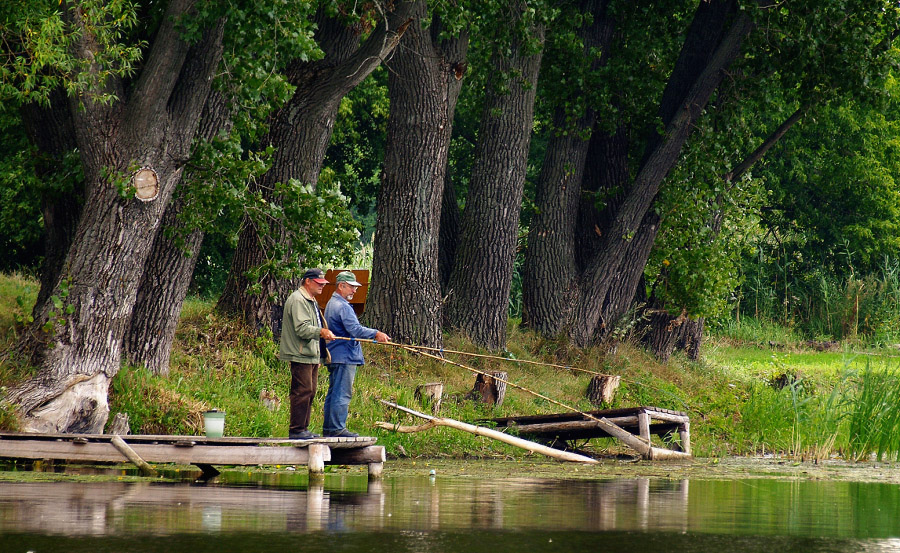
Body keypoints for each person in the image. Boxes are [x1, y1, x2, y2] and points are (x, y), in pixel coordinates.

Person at [323, 271, 390, 437]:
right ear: (341, 285)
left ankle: (330, 429)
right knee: (342, 393)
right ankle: (337, 429)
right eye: (351, 287)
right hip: (344, 356)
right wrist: (376, 334)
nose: (354, 290)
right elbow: (355, 329)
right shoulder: (342, 306)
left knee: (334, 392)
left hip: (335, 355)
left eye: (355, 287)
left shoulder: (332, 303)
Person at [279, 268, 336, 440]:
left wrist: (318, 354)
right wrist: (322, 332)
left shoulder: (310, 299)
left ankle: (303, 428)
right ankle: (296, 430)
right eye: (319, 284)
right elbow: (302, 328)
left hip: (310, 353)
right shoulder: (298, 300)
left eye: (323, 284)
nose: (322, 287)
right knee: (302, 391)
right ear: (307, 281)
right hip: (299, 353)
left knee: (310, 391)